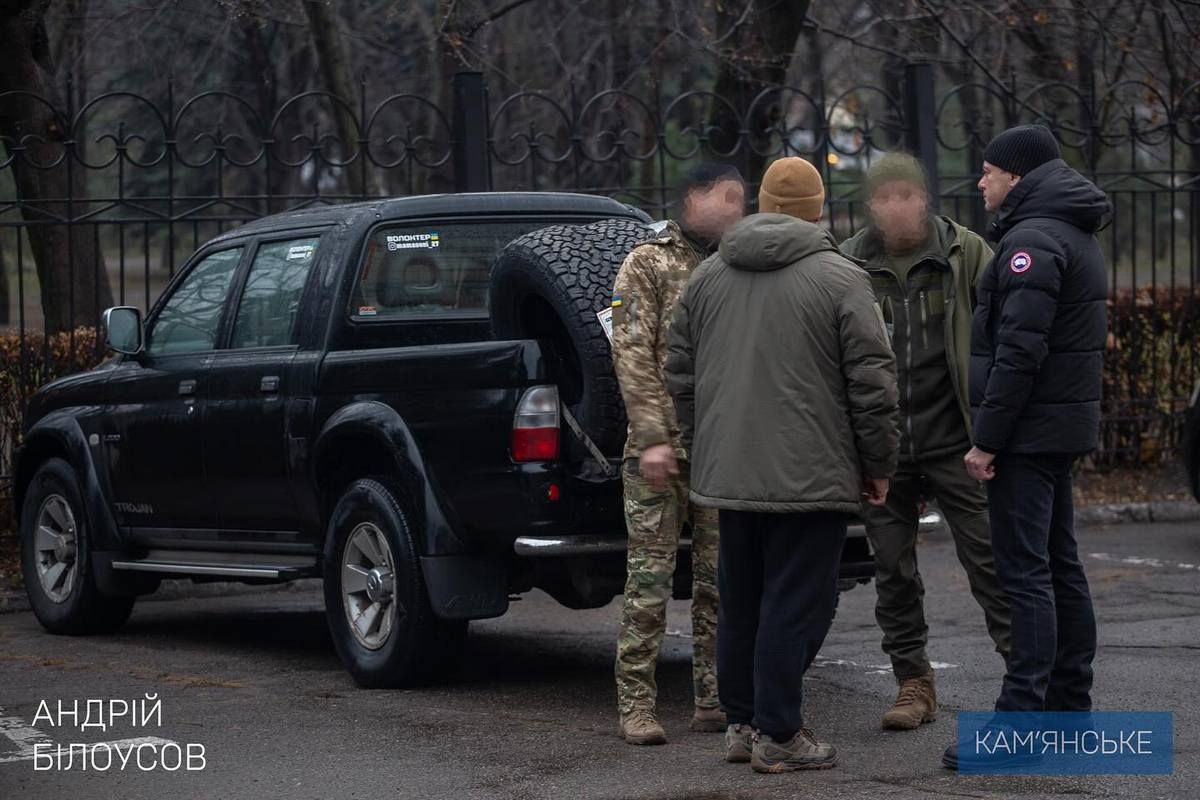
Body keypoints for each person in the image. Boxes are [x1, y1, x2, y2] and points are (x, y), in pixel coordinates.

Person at [665, 157, 899, 773]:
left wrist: (702, 443)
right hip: (811, 474)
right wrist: (879, 462)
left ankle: (741, 724)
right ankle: (781, 733)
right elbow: (871, 384)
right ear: (818, 208)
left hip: (728, 471)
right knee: (795, 602)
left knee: (740, 599)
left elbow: (679, 375)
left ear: (762, 203)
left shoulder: (708, 276)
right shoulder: (841, 279)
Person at [943, 125, 1110, 769]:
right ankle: (1070, 713)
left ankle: (1019, 729)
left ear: (1016, 175)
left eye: (988, 171)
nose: (981, 181)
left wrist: (986, 440)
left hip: (1027, 434)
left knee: (1026, 573)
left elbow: (1019, 352)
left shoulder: (1032, 240)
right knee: (1059, 565)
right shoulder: (1068, 229)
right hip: (1054, 431)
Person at [841, 153, 1011, 732]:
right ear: (870, 205)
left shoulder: (965, 254)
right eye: (884, 197)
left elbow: (1007, 330)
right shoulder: (849, 265)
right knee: (891, 568)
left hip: (955, 439)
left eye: (905, 194)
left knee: (989, 559)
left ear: (924, 197)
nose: (896, 207)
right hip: (883, 445)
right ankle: (913, 681)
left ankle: (1024, 676)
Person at [611, 162, 747, 746]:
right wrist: (652, 437)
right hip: (658, 450)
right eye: (730, 196)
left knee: (721, 583)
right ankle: (636, 704)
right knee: (650, 580)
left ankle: (713, 699)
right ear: (694, 197)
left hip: (719, 446)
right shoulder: (646, 262)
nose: (741, 207)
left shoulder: (737, 261)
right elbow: (630, 351)